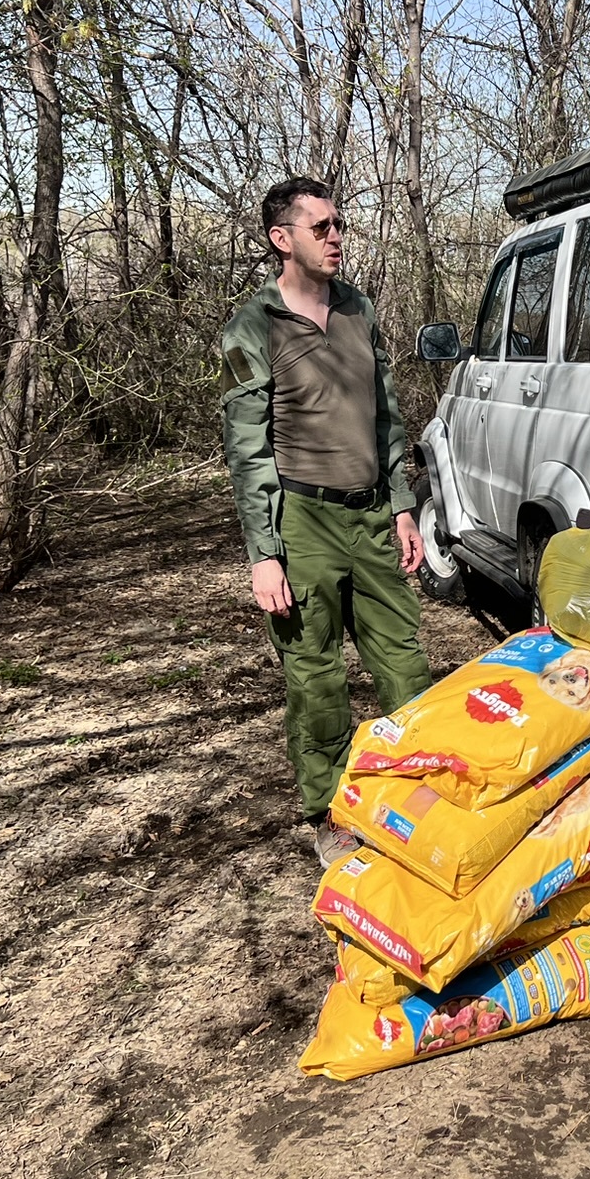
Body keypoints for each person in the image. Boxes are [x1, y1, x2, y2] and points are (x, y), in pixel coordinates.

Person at [220, 177, 432, 864]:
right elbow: (248, 449)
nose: (336, 236)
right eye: (321, 227)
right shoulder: (253, 328)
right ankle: (332, 812)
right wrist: (264, 553)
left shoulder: (359, 311)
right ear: (283, 240)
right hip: (301, 522)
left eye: (339, 224)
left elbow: (387, 416)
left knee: (405, 667)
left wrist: (402, 506)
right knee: (316, 681)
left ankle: (414, 794)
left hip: (371, 514)